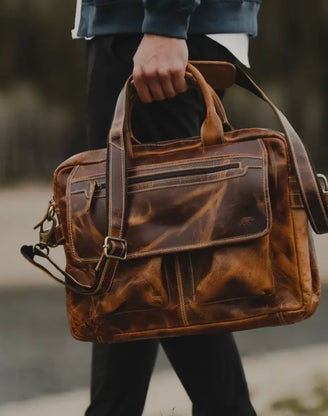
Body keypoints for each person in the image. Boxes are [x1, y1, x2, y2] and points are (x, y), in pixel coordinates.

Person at [71, 1, 262, 415]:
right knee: (127, 257)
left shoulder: (162, 29)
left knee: (157, 254)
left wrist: (166, 23)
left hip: (155, 33)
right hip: (147, 30)